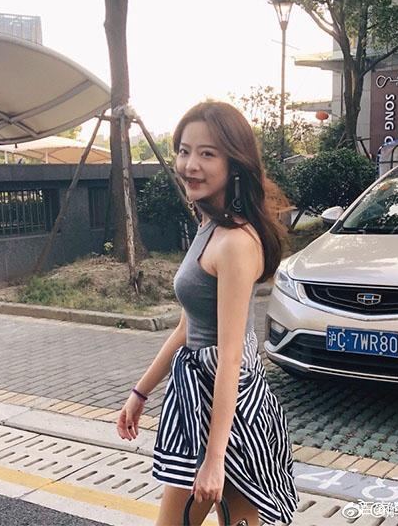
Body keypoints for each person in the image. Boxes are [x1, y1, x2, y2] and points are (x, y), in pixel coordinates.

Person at [116, 101, 299, 526]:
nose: (190, 165)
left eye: (207, 154)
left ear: (234, 163)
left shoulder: (236, 242)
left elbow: (230, 357)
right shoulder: (208, 225)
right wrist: (140, 393)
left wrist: (215, 459)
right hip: (199, 405)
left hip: (232, 416)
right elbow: (187, 327)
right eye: (184, 151)